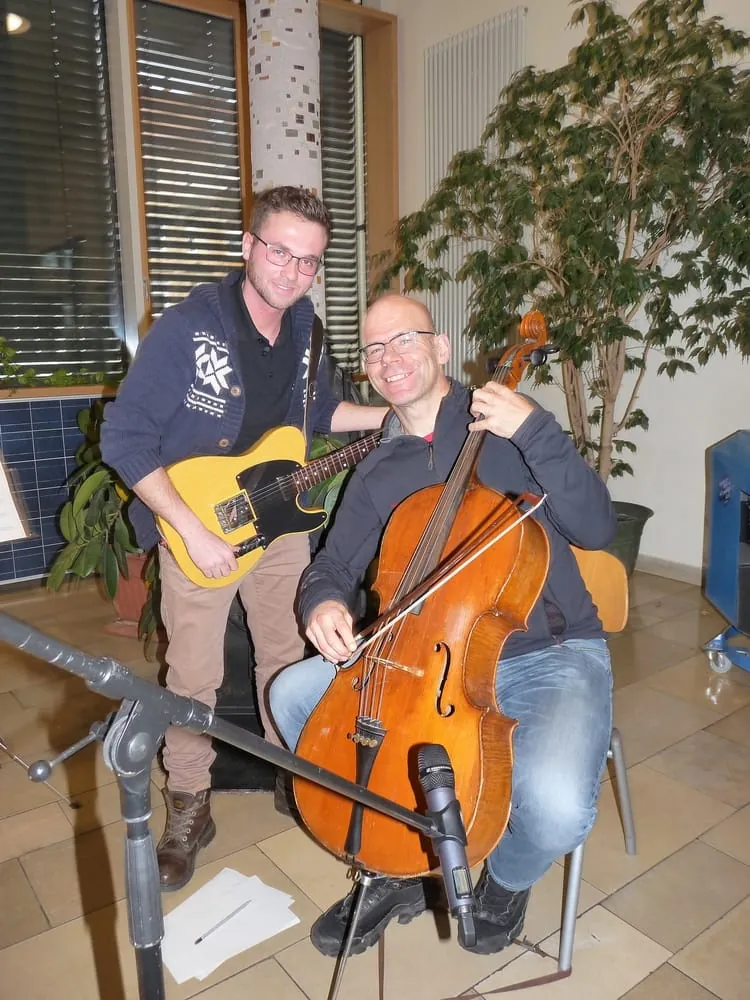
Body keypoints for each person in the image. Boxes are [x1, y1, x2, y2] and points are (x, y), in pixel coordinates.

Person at [269, 293, 616, 957]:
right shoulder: (378, 469)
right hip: (421, 657)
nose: (389, 358)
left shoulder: (509, 426)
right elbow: (331, 567)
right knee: (291, 696)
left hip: (548, 654)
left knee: (555, 807)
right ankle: (400, 864)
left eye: (404, 339)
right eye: (374, 348)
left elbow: (597, 527)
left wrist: (537, 431)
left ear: (441, 347)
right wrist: (322, 604)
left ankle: (505, 881)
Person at [101, 186, 388, 892]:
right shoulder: (187, 329)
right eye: (281, 252)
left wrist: (392, 416)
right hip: (198, 522)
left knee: (285, 658)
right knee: (193, 677)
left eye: (310, 261)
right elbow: (125, 438)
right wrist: (190, 530)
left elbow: (319, 412)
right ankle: (189, 804)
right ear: (248, 246)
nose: (294, 272)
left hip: (279, 519)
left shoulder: (306, 329)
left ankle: (291, 773)